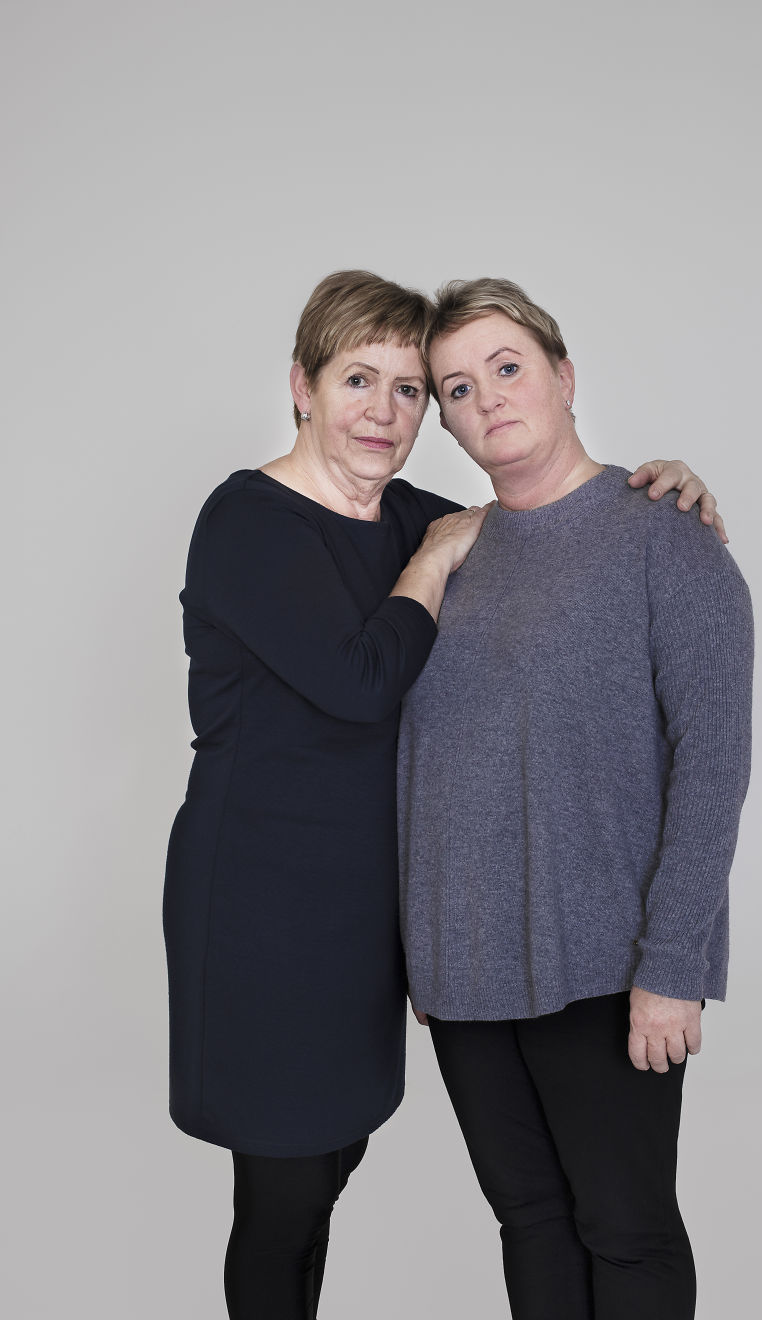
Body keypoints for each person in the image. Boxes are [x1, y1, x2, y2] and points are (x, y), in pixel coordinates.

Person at [163, 268, 725, 1320]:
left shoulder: (426, 514)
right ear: (301, 384)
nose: (387, 411)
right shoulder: (256, 523)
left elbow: (554, 532)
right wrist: (429, 558)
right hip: (267, 914)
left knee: (339, 1173)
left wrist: (662, 486)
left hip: (387, 924)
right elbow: (365, 680)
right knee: (290, 1192)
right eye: (357, 380)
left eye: (414, 389)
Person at [398, 278, 754, 1320]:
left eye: (507, 368)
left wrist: (672, 967)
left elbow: (713, 765)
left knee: (625, 1230)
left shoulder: (663, 534)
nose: (487, 399)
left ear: (561, 375)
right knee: (530, 1223)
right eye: (457, 388)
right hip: (463, 971)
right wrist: (420, 947)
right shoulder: (443, 549)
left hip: (606, 965)